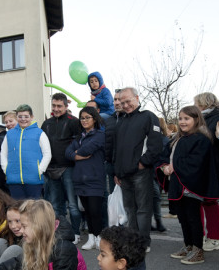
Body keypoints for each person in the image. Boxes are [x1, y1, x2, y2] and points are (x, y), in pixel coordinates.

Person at [159, 106, 219, 265]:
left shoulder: (201, 139)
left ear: (196, 120)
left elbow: (197, 162)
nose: (182, 122)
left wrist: (175, 166)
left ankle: (198, 249)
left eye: (187, 118)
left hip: (192, 184)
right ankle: (188, 245)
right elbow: (165, 156)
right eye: (180, 118)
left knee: (193, 217)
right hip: (177, 184)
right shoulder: (177, 139)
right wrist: (164, 166)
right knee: (182, 217)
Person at [111, 87, 163, 252]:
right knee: (129, 210)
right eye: (122, 102)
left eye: (128, 101)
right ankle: (133, 241)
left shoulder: (148, 117)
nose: (125, 105)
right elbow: (116, 149)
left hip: (140, 172)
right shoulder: (121, 121)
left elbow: (156, 145)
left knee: (143, 209)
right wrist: (116, 172)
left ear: (137, 98)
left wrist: (142, 163)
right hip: (123, 174)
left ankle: (143, 242)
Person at [41, 93, 82, 244]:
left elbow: (80, 142)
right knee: (56, 205)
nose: (56, 109)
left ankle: (76, 233)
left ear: (66, 106)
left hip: (69, 168)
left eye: (59, 106)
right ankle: (60, 232)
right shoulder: (46, 123)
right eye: (54, 106)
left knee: (72, 204)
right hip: (51, 169)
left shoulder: (74, 122)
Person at [65, 106, 106, 250]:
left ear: (94, 119)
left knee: (96, 211)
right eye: (82, 118)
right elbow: (67, 153)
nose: (84, 120)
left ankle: (99, 238)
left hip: (94, 179)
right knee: (87, 212)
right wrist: (76, 155)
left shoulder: (100, 135)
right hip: (80, 180)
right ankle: (91, 238)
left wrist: (76, 153)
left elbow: (87, 149)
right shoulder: (78, 137)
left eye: (87, 117)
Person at [193, 92, 219, 251]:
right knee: (197, 200)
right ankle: (199, 234)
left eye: (197, 103)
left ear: (204, 104)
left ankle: (214, 237)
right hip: (198, 165)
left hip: (211, 164)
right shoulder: (200, 119)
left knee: (209, 201)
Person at [1, 104, 51, 200]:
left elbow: (47, 154)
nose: (23, 119)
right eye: (20, 116)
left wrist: (40, 170)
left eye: (26, 116)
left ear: (31, 117)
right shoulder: (9, 134)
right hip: (14, 180)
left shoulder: (39, 133)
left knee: (33, 209)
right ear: (17, 117)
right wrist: (6, 169)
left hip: (34, 179)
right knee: (18, 208)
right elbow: (3, 153)